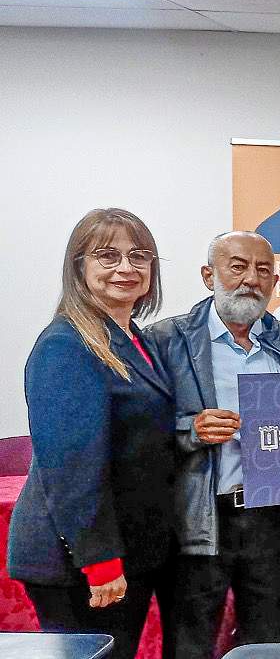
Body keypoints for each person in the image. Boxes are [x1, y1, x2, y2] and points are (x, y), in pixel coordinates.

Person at [145, 231, 280, 659]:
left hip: (272, 520)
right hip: (198, 518)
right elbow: (139, 438)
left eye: (263, 270)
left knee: (270, 642)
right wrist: (191, 429)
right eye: (238, 266)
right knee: (191, 642)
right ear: (209, 275)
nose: (251, 278)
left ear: (275, 282)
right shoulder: (165, 341)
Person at [8, 208, 175, 659]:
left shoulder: (132, 337)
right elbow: (71, 467)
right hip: (78, 562)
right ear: (78, 265)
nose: (126, 268)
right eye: (108, 256)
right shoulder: (67, 344)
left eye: (139, 256)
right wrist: (99, 560)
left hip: (127, 547)